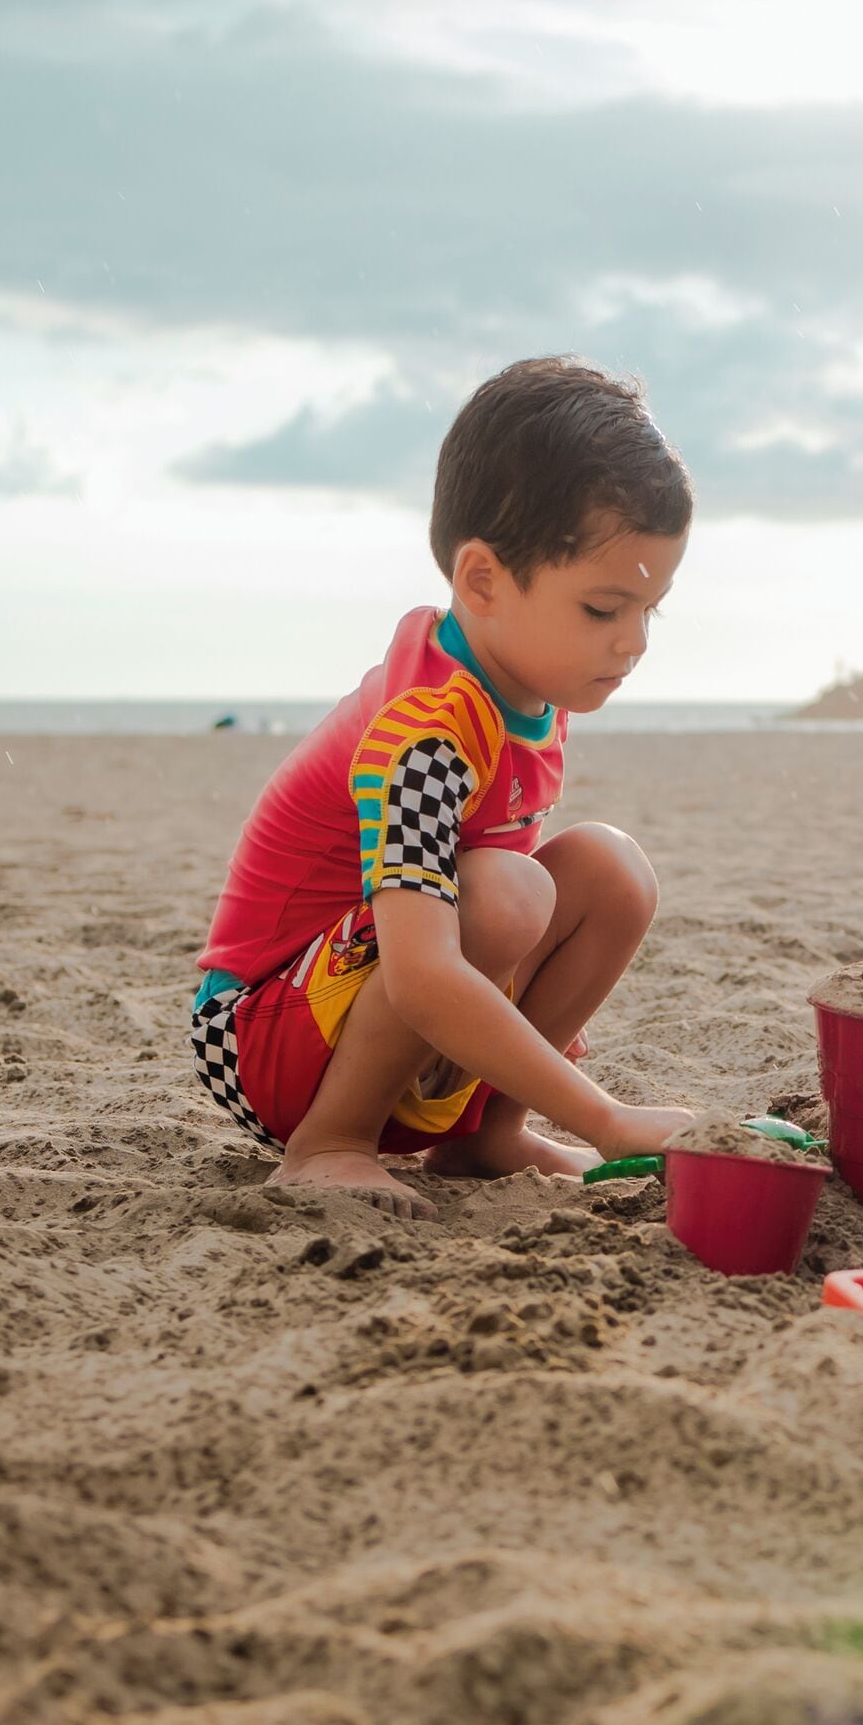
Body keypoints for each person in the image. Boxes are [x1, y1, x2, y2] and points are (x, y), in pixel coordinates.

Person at [188, 358, 697, 1202]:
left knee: (611, 870)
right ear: (483, 581)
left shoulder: (530, 687)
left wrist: (528, 1034)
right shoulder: (429, 728)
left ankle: (487, 1138)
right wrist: (604, 1118)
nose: (633, 641)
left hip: (372, 1002)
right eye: (603, 610)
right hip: (260, 1037)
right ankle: (330, 1141)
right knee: (505, 895)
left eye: (652, 608)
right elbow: (429, 966)